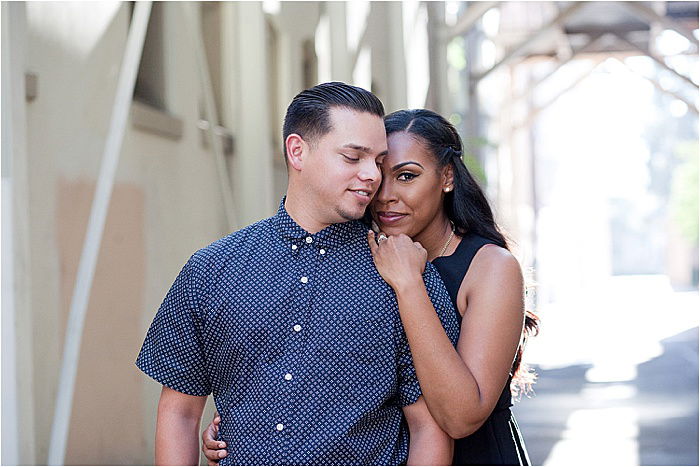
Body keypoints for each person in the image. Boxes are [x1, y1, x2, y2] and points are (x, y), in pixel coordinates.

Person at [136, 83, 460, 465]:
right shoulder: (211, 270)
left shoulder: (407, 278)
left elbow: (429, 428)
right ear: (297, 151)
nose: (373, 175)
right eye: (353, 157)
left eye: (378, 160)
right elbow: (180, 413)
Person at [202, 108, 537, 466]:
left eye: (407, 176)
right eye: (379, 173)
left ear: (447, 177)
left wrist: (409, 285)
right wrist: (247, 429)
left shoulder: (491, 268)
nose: (385, 195)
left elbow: (460, 418)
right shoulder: (359, 256)